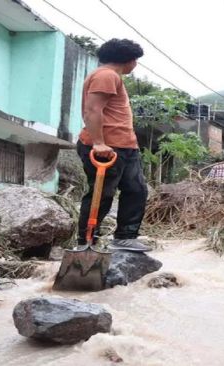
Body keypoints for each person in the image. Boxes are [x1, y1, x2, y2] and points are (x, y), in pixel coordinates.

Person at [76, 38, 151, 252]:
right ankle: (86, 242)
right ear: (128, 60)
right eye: (135, 60)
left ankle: (125, 236)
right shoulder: (106, 75)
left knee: (136, 190)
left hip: (125, 146)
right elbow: (93, 110)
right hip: (107, 147)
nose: (135, 65)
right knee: (102, 194)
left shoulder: (110, 76)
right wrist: (99, 143)